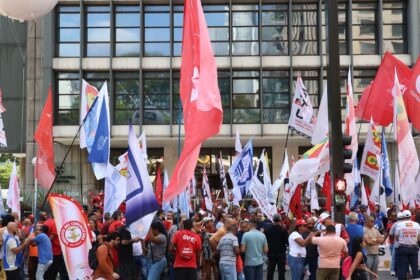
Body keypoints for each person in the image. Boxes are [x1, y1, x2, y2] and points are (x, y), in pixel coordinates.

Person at [394, 210, 420, 280]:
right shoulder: (416, 225)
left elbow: (396, 237)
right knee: (415, 268)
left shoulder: (399, 224)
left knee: (402, 268)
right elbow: (419, 237)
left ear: (403, 217)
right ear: (410, 216)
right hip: (414, 248)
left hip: (402, 248)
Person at [264, 214, 288, 280]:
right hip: (281, 253)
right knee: (281, 272)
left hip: (271, 253)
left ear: (273, 220)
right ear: (280, 220)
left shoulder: (268, 229)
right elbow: (287, 242)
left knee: (270, 271)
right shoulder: (283, 230)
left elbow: (265, 241)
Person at [44, 216, 69, 280]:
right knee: (53, 271)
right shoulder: (55, 223)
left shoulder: (47, 222)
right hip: (55, 251)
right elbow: (52, 236)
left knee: (48, 271)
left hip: (49, 251)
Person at [363, 216, 384, 280]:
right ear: (367, 222)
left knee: (375, 273)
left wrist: (374, 240)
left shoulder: (375, 230)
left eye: (373, 221)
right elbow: (369, 242)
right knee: (367, 272)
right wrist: (377, 241)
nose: (373, 222)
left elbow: (382, 240)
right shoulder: (364, 230)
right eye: (372, 221)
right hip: (368, 254)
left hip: (376, 253)